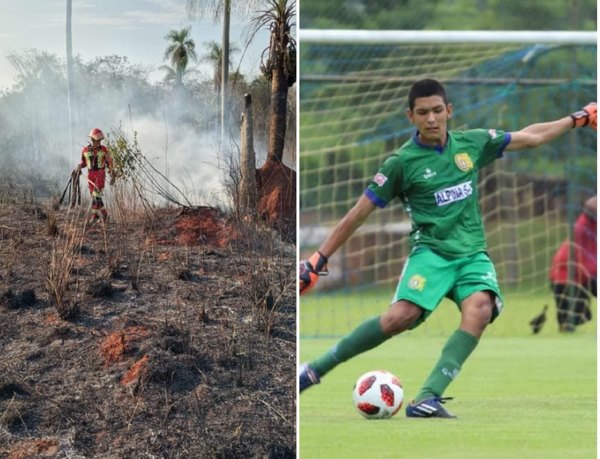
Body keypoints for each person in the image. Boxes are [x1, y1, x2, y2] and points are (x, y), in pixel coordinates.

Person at [299, 78, 596, 418]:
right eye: (423, 113)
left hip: (472, 255)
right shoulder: (401, 163)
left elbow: (532, 136)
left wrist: (578, 119)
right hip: (431, 254)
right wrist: (318, 258)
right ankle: (313, 370)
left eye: (437, 111)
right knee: (401, 317)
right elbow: (358, 212)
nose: (431, 119)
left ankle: (427, 397)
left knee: (480, 308)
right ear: (410, 116)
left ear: (449, 111)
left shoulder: (471, 144)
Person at [549, 196, 597, 332]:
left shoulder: (592, 227)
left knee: (579, 317)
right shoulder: (581, 228)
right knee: (571, 321)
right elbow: (583, 260)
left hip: (581, 277)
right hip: (564, 279)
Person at [77, 128, 114, 223]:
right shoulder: (85, 150)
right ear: (92, 139)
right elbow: (83, 162)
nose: (99, 142)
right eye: (97, 140)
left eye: (100, 140)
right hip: (90, 174)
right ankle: (103, 214)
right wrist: (79, 167)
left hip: (100, 174)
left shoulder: (104, 150)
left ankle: (94, 216)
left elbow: (110, 162)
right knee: (94, 196)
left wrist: (112, 173)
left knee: (96, 194)